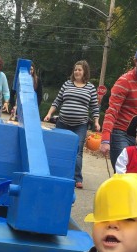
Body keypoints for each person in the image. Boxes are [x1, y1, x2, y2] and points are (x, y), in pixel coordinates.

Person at [44, 60, 100, 189]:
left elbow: (94, 108)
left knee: (77, 151)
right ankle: (54, 172)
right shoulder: (67, 84)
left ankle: (77, 178)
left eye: (80, 70)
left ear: (85, 71)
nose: (77, 72)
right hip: (62, 122)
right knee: (58, 148)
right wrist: (49, 114)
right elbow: (57, 101)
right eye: (75, 70)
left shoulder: (90, 87)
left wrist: (96, 122)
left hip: (80, 125)